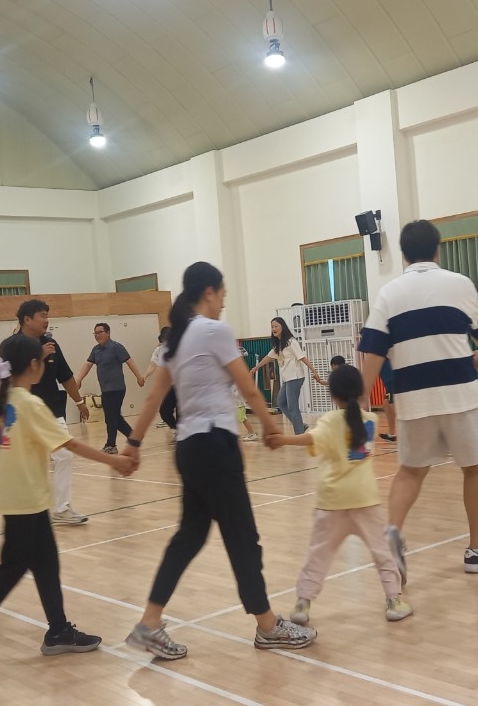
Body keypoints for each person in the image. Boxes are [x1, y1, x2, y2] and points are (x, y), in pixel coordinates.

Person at [122, 261, 315, 661]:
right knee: (242, 537)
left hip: (189, 448)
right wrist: (271, 429)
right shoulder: (213, 330)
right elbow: (248, 387)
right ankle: (267, 626)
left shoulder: (176, 339)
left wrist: (135, 443)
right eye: (223, 294)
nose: (224, 302)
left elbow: (155, 397)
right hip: (214, 447)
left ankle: (150, 623)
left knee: (190, 536)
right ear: (208, 292)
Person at [0, 334, 136, 666]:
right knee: (13, 567)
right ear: (33, 365)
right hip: (26, 499)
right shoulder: (31, 405)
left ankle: (58, 630)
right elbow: (68, 444)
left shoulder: (4, 403)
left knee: (46, 562)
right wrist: (114, 461)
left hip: (18, 497)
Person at [358, 220, 478, 583]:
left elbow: (373, 351)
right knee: (474, 468)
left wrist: (360, 403)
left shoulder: (389, 293)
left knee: (411, 472)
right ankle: (477, 550)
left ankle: (392, 534)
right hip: (460, 393)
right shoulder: (460, 283)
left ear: (404, 254)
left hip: (413, 398)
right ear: (437, 250)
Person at [269, 365, 412, 626]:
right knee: (382, 552)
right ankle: (394, 600)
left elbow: (311, 439)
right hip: (365, 500)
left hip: (331, 501)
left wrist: (283, 440)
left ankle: (302, 604)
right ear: (360, 391)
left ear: (333, 395)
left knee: (318, 556)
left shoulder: (329, 421)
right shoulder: (371, 420)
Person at [15, 300, 92, 526]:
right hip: (25, 414)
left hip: (52, 412)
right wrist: (38, 355)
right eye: (42, 316)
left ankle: (61, 508)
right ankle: (27, 511)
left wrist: (79, 401)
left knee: (64, 455)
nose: (47, 320)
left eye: (47, 315)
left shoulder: (51, 343)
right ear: (27, 319)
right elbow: (10, 378)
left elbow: (65, 376)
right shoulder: (12, 345)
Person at [75, 323, 145, 454]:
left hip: (117, 388)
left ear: (108, 333)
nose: (97, 335)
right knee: (114, 417)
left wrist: (139, 377)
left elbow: (130, 362)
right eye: (95, 333)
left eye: (100, 332)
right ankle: (134, 438)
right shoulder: (96, 350)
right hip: (105, 389)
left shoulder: (116, 347)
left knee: (112, 418)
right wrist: (79, 379)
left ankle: (111, 445)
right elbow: (88, 364)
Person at [250, 317, 325, 435]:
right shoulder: (278, 345)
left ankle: (299, 433)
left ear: (282, 327)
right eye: (272, 327)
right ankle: (300, 425)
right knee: (280, 402)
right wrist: (255, 368)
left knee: (292, 406)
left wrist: (314, 371)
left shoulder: (291, 342)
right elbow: (268, 357)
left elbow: (302, 357)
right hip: (287, 379)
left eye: (276, 326)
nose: (274, 329)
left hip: (295, 377)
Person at [143, 327, 178, 442]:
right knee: (164, 411)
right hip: (169, 386)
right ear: (161, 339)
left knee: (182, 411)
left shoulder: (179, 348)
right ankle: (176, 428)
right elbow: (153, 365)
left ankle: (183, 435)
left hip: (181, 385)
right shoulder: (159, 350)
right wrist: (145, 376)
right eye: (164, 338)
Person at [378, 360, 397, 443]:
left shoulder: (382, 357)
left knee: (393, 407)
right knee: (386, 405)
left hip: (392, 382)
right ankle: (391, 435)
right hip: (389, 383)